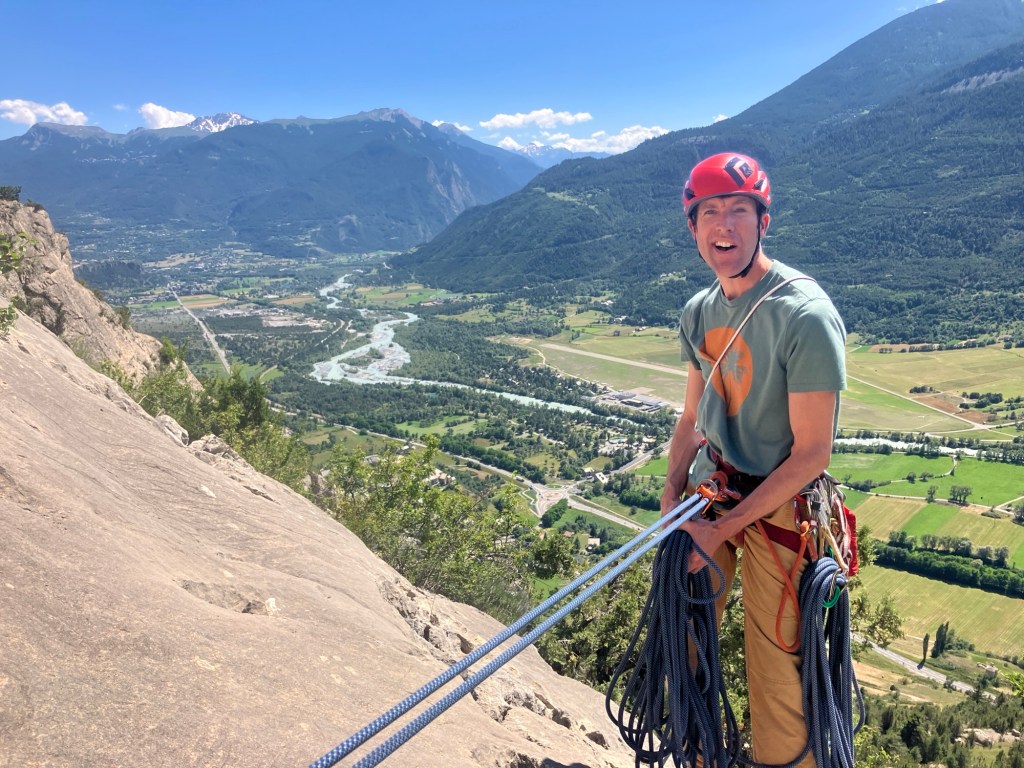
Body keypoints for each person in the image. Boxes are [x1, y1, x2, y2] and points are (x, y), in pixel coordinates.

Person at [660, 152, 847, 767]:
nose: (724, 225)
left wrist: (718, 530)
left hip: (781, 503)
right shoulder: (700, 311)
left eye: (739, 210)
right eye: (709, 212)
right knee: (682, 636)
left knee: (778, 668)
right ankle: (695, 751)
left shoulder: (804, 315)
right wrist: (671, 508)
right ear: (693, 228)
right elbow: (690, 419)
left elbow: (812, 454)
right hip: (715, 487)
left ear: (762, 221)